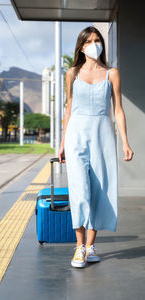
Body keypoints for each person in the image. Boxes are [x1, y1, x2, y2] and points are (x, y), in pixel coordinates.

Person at [58, 26, 134, 268]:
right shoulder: (71, 74)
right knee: (79, 191)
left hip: (103, 135)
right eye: (89, 41)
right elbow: (68, 110)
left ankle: (90, 247)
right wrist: (61, 144)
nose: (94, 44)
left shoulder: (112, 73)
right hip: (76, 136)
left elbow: (118, 110)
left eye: (97, 40)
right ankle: (79, 247)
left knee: (100, 192)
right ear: (81, 47)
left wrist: (125, 141)